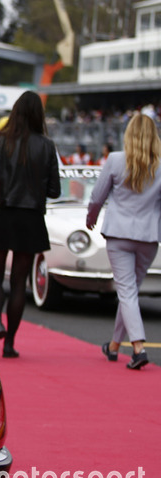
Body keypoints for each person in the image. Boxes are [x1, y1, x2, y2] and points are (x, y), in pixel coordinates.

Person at [0, 90, 60, 357]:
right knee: (19, 281)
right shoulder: (47, 145)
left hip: (1, 213)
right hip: (31, 218)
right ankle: (10, 343)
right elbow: (56, 190)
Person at [86, 113, 161, 370]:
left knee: (127, 291)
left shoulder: (116, 159)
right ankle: (115, 345)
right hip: (149, 236)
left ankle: (138, 346)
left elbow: (97, 196)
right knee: (130, 292)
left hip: (119, 234)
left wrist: (91, 218)